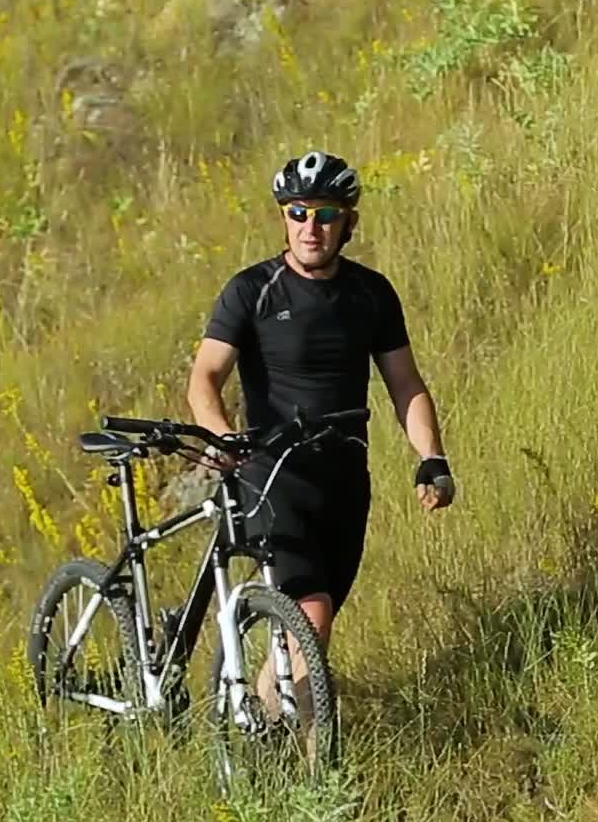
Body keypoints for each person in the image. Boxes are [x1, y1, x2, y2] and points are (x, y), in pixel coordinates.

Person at [187, 149, 454, 712]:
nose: (312, 227)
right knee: (312, 612)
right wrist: (224, 436)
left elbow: (405, 385)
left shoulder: (371, 294)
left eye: (327, 214)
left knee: (310, 628)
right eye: (299, 212)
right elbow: (205, 379)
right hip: (271, 476)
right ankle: (315, 769)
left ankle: (260, 732)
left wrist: (431, 457)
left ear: (348, 222)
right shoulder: (251, 291)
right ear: (284, 216)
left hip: (344, 481)